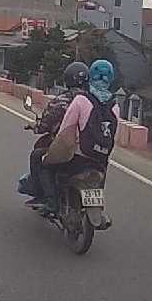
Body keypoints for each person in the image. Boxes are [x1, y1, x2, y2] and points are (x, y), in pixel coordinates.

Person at [39, 59, 120, 214]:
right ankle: (97, 206)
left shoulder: (81, 100)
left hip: (78, 158)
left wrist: (55, 150)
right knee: (100, 175)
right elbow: (113, 136)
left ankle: (51, 203)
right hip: (100, 161)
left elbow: (66, 129)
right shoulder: (114, 105)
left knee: (45, 165)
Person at [25, 61, 90, 205]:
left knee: (39, 158)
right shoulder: (94, 101)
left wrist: (37, 127)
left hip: (69, 148)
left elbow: (46, 124)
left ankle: (47, 199)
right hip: (91, 150)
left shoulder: (62, 100)